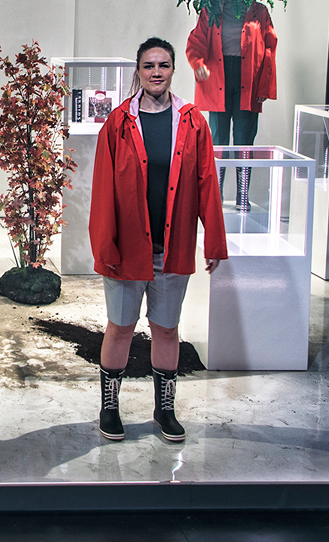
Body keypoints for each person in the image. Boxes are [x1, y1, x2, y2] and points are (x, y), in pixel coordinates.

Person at [89, 37, 227, 443]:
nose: (156, 72)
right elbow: (103, 191)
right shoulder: (117, 123)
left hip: (172, 249)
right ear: (138, 71)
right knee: (120, 328)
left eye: (163, 65)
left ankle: (164, 408)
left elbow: (207, 182)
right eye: (148, 65)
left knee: (166, 330)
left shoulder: (192, 121)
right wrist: (104, 246)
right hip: (126, 251)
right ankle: (110, 407)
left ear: (172, 70)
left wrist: (214, 241)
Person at [184, 0, 278, 209]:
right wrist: (198, 64)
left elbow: (269, 48)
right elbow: (196, 41)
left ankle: (242, 195)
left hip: (249, 79)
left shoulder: (259, 11)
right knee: (218, 140)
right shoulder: (211, 9)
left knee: (244, 140)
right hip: (219, 76)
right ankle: (215, 196)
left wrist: (264, 85)